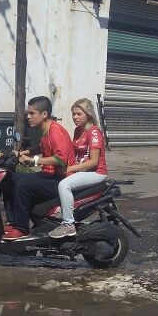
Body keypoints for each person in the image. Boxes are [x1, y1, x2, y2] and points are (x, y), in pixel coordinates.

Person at [3, 96, 76, 240]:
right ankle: (13, 222)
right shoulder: (45, 131)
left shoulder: (56, 132)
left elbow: (61, 159)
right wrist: (24, 152)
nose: (28, 117)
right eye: (27, 113)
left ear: (44, 114)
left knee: (22, 185)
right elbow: (42, 146)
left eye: (32, 113)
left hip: (60, 179)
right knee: (8, 178)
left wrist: (33, 161)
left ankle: (21, 228)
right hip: (48, 175)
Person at [48, 98, 108, 238]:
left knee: (64, 185)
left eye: (79, 114)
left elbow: (93, 162)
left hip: (96, 172)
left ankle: (68, 224)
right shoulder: (77, 131)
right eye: (73, 114)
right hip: (82, 171)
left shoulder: (93, 132)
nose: (75, 117)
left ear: (88, 114)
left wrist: (70, 169)